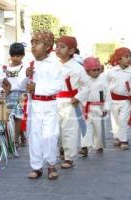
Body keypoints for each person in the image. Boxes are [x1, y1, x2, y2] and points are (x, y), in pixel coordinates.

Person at [22, 31, 62, 180]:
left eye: (36, 43)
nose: (33, 47)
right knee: (35, 136)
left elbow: (57, 86)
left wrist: (37, 88)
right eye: (32, 44)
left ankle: (51, 164)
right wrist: (26, 75)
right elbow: (23, 85)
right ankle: (36, 167)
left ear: (47, 46)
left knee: (50, 136)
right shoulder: (31, 64)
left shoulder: (55, 64)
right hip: (35, 105)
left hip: (49, 105)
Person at [55, 36, 89, 169]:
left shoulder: (78, 68)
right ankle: (61, 148)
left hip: (71, 102)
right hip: (55, 101)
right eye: (57, 46)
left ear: (71, 50)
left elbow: (86, 86)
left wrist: (79, 97)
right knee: (56, 130)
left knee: (70, 130)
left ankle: (69, 157)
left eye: (62, 47)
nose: (57, 49)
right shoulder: (53, 65)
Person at [107, 47, 131, 150]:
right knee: (115, 120)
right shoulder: (112, 71)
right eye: (126, 56)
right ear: (118, 58)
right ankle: (117, 136)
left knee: (122, 120)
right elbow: (106, 84)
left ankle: (124, 140)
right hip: (113, 100)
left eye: (130, 56)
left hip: (126, 100)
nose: (129, 59)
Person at [79, 57, 111, 156]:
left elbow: (108, 94)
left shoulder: (103, 79)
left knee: (99, 128)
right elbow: (80, 93)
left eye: (98, 69)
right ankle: (84, 147)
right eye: (94, 70)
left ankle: (99, 145)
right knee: (85, 128)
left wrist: (106, 107)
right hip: (87, 108)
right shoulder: (83, 81)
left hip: (99, 108)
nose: (96, 72)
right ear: (87, 70)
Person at [0, 42, 28, 147]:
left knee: (17, 117)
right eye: (13, 56)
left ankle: (15, 140)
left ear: (23, 55)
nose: (15, 58)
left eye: (18, 56)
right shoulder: (5, 67)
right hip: (8, 93)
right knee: (8, 116)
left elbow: (25, 82)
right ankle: (21, 134)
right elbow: (2, 80)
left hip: (21, 94)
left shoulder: (25, 67)